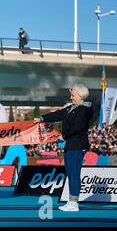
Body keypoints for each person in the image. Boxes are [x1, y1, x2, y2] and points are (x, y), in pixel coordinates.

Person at [34, 83, 93, 212]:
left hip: (78, 145)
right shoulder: (71, 108)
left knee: (74, 173)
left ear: (80, 95)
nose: (71, 97)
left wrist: (63, 135)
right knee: (71, 173)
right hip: (70, 145)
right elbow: (58, 114)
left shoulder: (84, 109)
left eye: (73, 95)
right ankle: (71, 201)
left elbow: (78, 126)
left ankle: (74, 202)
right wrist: (42, 118)